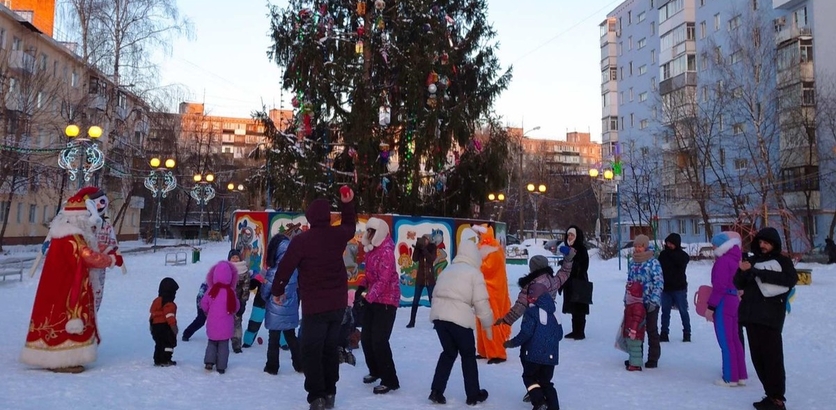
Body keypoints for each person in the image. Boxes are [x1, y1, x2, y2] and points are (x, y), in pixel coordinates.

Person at [271, 187, 356, 410]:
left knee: (311, 350)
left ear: (309, 216)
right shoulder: (337, 235)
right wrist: (347, 203)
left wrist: (277, 290)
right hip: (337, 304)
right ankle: (330, 392)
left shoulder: (302, 242)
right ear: (328, 216)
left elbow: (285, 267)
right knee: (329, 349)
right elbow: (349, 226)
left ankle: (317, 396)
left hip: (315, 307)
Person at [20, 187, 117, 374]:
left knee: (51, 316)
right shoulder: (74, 236)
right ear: (80, 218)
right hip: (68, 287)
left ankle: (48, 354)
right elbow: (87, 256)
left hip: (54, 286)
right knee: (66, 319)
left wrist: (102, 248)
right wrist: (110, 259)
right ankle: (63, 359)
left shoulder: (60, 234)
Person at [427, 227, 494, 406]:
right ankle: (473, 394)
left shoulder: (448, 269)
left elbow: (436, 293)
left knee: (448, 353)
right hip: (459, 320)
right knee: (468, 355)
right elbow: (481, 303)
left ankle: (436, 390)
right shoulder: (473, 273)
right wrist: (488, 325)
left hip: (440, 319)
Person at [735, 227, 797, 410]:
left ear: (774, 244)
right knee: (758, 359)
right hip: (751, 316)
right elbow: (738, 283)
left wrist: (757, 271)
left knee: (773, 359)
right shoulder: (753, 260)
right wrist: (743, 271)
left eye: (766, 243)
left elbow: (789, 280)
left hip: (770, 318)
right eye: (760, 242)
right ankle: (770, 395)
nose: (762, 246)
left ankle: (777, 399)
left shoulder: (783, 261)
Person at [356, 217, 401, 394]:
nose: (369, 235)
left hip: (387, 301)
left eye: (372, 232)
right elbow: (369, 274)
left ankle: (390, 380)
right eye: (369, 231)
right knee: (366, 338)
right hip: (374, 299)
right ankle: (375, 370)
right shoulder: (372, 251)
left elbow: (383, 279)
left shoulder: (386, 252)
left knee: (379, 340)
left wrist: (369, 297)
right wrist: (361, 286)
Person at [504, 283, 563, 410]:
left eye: (530, 297)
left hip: (533, 356)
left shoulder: (531, 312)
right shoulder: (554, 314)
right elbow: (559, 335)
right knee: (546, 382)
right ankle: (554, 406)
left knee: (529, 378)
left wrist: (512, 343)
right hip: (551, 358)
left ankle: (539, 402)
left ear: (534, 298)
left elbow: (526, 333)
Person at [705, 232, 748, 387]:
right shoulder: (736, 260)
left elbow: (719, 286)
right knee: (735, 338)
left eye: (714, 245)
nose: (713, 248)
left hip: (724, 301)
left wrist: (711, 306)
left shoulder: (723, 262)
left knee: (725, 340)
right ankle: (741, 374)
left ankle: (729, 377)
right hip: (734, 300)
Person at [262, 226, 304, 374]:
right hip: (290, 308)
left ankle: (272, 367)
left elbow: (265, 291)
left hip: (274, 310)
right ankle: (300, 365)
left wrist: (266, 297)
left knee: (273, 340)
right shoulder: (295, 270)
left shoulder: (273, 271)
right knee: (291, 338)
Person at [474, 225, 512, 364]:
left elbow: (487, 269)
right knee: (481, 322)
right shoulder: (484, 249)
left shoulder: (494, 251)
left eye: (479, 234)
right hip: (484, 292)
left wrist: (474, 264)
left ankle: (497, 352)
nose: (478, 237)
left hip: (493, 293)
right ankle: (484, 350)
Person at [626, 234, 663, 368]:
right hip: (635, 302)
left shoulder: (653, 263)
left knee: (651, 329)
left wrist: (654, 300)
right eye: (635, 246)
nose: (637, 249)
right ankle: (636, 356)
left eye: (640, 246)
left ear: (645, 246)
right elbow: (629, 281)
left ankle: (653, 357)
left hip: (650, 301)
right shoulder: (633, 262)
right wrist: (627, 298)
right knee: (636, 329)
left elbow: (659, 282)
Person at [201, 260, 240, 374]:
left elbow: (204, 303)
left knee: (212, 343)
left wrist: (208, 311)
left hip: (213, 322)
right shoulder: (231, 292)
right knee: (224, 345)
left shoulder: (211, 291)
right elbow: (236, 307)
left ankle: (209, 362)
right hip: (226, 324)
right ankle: (221, 366)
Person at [658, 232, 691, 343]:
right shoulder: (663, 255)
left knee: (683, 311)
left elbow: (682, 262)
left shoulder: (682, 256)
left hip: (679, 288)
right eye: (668, 243)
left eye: (671, 243)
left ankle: (687, 333)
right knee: (665, 312)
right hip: (666, 288)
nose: (669, 245)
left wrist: (672, 254)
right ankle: (664, 333)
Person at [559, 225, 590, 340]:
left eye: (572, 235)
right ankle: (574, 330)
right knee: (572, 307)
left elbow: (584, 266)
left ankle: (580, 332)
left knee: (579, 307)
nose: (570, 237)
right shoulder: (567, 248)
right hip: (570, 282)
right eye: (568, 235)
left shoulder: (581, 249)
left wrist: (572, 264)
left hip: (580, 281)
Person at [407, 234, 436, 328]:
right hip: (420, 279)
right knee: (415, 301)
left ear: (429, 240)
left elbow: (431, 259)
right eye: (423, 239)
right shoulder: (420, 248)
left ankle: (436, 322)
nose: (424, 241)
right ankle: (412, 321)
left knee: (433, 301)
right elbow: (414, 259)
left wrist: (424, 249)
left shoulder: (432, 248)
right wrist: (417, 248)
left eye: (426, 239)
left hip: (430, 279)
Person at [149, 277, 179, 367]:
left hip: (155, 326)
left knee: (159, 343)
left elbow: (152, 313)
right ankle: (166, 359)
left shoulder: (156, 301)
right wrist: (174, 327)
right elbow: (169, 316)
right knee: (168, 343)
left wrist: (151, 324)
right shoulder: (169, 303)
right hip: (165, 326)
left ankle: (157, 359)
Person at [228, 249, 250, 353]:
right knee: (225, 321)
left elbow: (246, 287)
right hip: (226, 300)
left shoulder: (244, 270)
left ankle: (236, 344)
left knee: (237, 322)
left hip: (238, 300)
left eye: (237, 257)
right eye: (233, 258)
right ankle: (221, 339)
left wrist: (243, 302)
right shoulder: (225, 268)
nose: (235, 260)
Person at [623, 281, 647, 371]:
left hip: (635, 333)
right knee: (632, 348)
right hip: (630, 331)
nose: (627, 296)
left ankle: (636, 364)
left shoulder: (637, 307)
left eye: (629, 294)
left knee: (635, 349)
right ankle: (632, 361)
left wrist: (633, 330)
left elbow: (636, 320)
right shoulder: (631, 305)